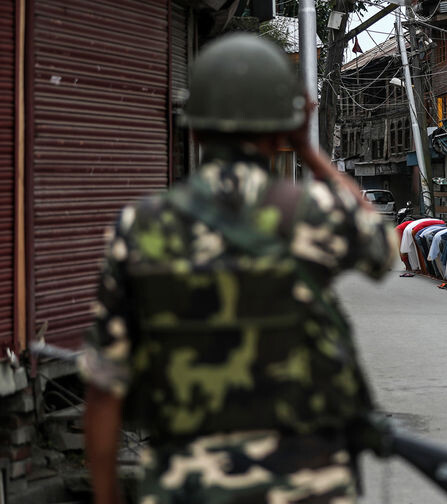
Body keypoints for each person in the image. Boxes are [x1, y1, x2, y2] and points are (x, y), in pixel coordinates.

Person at [79, 34, 395, 504]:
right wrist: (309, 151)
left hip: (185, 485)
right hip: (308, 484)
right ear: (282, 126)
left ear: (196, 130)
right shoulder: (313, 214)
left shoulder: (140, 227)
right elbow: (382, 251)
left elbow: (104, 387)